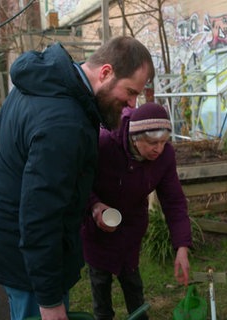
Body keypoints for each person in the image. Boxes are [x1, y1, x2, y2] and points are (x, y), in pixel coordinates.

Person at [0, 36, 154, 320]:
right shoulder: (63, 122)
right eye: (130, 91)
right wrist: (50, 300)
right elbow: (40, 216)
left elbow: (56, 180)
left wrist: (91, 205)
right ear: (105, 73)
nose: (132, 104)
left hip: (4, 236)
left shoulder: (47, 82)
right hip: (22, 255)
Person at [81, 102, 193, 320]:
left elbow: (174, 202)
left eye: (163, 142)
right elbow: (79, 181)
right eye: (152, 143)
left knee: (132, 282)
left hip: (131, 228)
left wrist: (182, 247)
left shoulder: (164, 157)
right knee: (100, 283)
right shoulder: (104, 144)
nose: (158, 149)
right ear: (135, 137)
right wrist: (94, 206)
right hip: (97, 227)